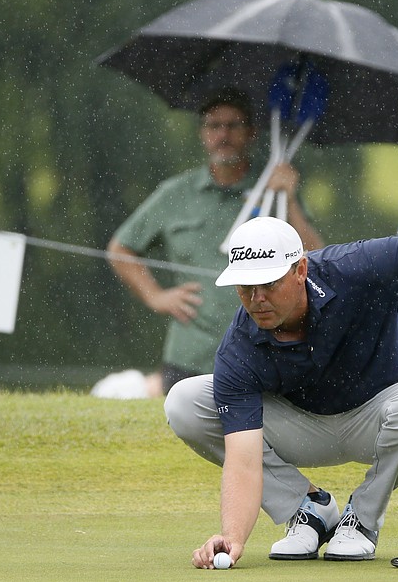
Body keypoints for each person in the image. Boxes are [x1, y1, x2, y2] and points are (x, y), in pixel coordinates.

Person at [164, 180, 398, 569]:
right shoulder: (239, 344)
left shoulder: (359, 267)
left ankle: (362, 519)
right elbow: (244, 459)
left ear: (300, 269)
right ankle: (309, 509)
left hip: (380, 419)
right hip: (299, 429)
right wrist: (232, 536)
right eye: (245, 288)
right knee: (186, 402)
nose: (257, 300)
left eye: (268, 283)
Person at [108, 89, 323, 397]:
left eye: (233, 125)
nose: (223, 134)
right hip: (190, 354)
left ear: (251, 132)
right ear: (202, 134)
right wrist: (156, 296)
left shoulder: (275, 190)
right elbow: (120, 249)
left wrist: (289, 199)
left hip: (261, 351)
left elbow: (314, 258)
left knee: (254, 440)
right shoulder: (175, 193)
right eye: (213, 126)